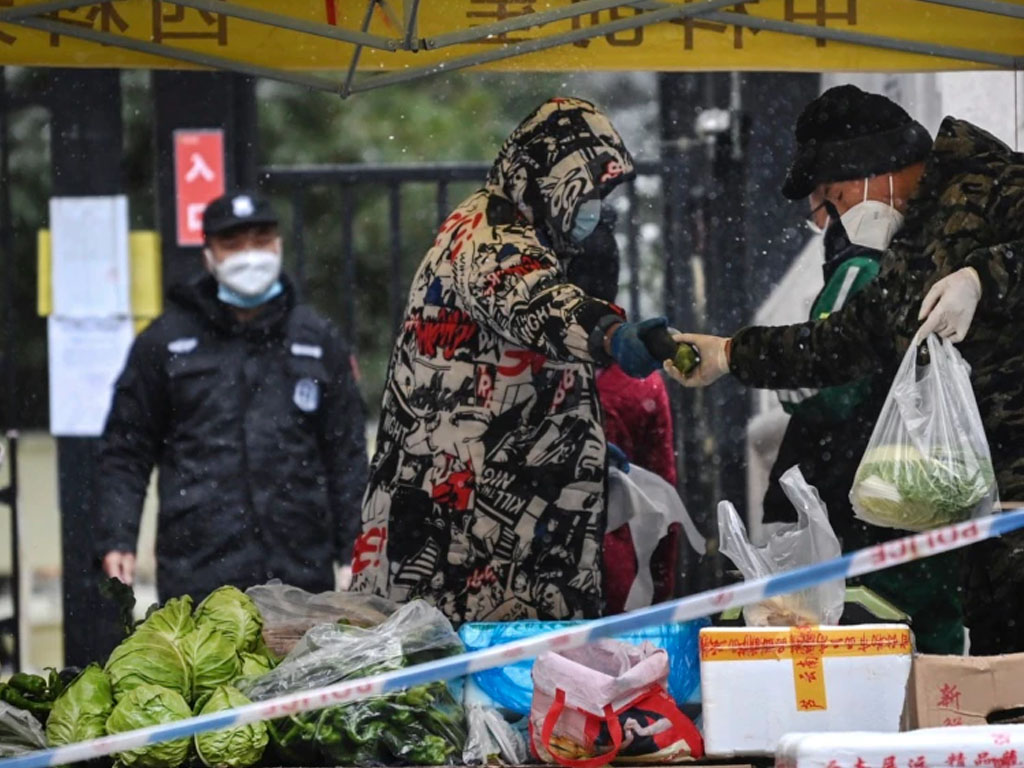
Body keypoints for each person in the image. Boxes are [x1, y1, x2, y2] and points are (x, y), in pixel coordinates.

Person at [667, 84, 1024, 654]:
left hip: (1012, 494)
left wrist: (982, 277)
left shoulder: (996, 184)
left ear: (870, 170)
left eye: (831, 198)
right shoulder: (913, 243)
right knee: (1001, 669)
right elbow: (849, 340)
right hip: (988, 504)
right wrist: (730, 355)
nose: (830, 221)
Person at [352, 98, 672, 623]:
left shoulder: (521, 233)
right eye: (588, 192)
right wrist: (613, 335)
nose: (593, 209)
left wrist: (577, 447)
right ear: (548, 179)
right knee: (475, 682)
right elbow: (537, 303)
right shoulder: (490, 236)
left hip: (501, 520)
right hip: (465, 534)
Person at [97, 190, 368, 603]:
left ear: (278, 245)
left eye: (261, 240)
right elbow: (126, 449)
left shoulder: (316, 339)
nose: (250, 254)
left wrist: (355, 547)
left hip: (299, 571)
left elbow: (346, 453)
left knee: (300, 668)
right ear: (208, 255)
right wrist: (118, 535)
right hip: (198, 570)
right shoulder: (166, 342)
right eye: (233, 243)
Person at [760, 108, 961, 651]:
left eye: (831, 202)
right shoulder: (938, 244)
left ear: (868, 184)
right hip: (927, 506)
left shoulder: (861, 269)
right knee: (939, 652)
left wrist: (752, 361)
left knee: (877, 659)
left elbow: (821, 385)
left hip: (871, 510)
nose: (824, 223)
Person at [566, 205, 681, 612]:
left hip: (532, 592)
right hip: (620, 590)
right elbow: (663, 499)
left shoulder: (520, 372)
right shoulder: (640, 383)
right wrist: (660, 589)